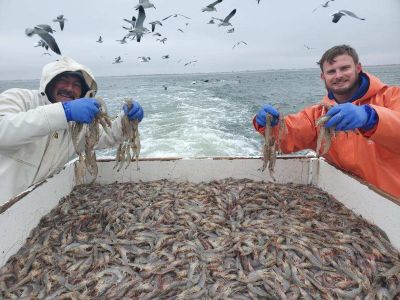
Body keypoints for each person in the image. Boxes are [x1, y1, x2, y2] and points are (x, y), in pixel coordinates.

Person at [253, 45, 400, 199]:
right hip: (349, 199)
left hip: (392, 202)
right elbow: (287, 137)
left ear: (358, 68)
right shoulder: (319, 115)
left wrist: (372, 117)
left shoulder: (392, 97)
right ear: (323, 77)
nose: (338, 75)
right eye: (331, 71)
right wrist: (269, 125)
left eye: (344, 68)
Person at [0, 56, 144, 204]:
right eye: (63, 81)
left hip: (36, 208)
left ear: (83, 93)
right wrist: (64, 112)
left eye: (76, 85)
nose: (69, 88)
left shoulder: (78, 125)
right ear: (49, 83)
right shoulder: (20, 99)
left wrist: (127, 120)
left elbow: (108, 136)